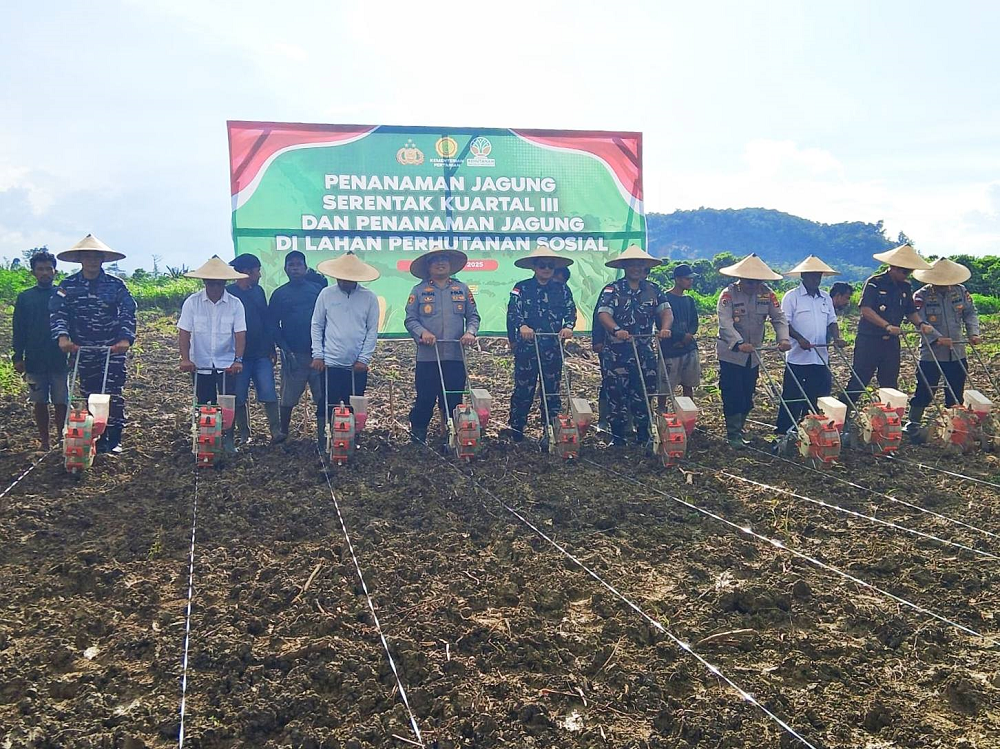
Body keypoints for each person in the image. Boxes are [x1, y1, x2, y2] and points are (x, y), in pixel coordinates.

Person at [50, 234, 136, 454]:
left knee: (112, 394)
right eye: (87, 257)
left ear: (102, 260)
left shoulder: (116, 285)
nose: (91, 261)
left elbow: (128, 310)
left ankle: (114, 438)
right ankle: (94, 437)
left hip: (111, 348)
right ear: (80, 259)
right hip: (83, 349)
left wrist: (125, 338)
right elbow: (58, 312)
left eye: (96, 257)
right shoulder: (67, 286)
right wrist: (62, 337)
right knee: (89, 394)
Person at [596, 246, 672, 447]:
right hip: (617, 353)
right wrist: (616, 330)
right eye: (632, 265)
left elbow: (666, 311)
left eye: (640, 264)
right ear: (624, 267)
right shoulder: (613, 289)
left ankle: (644, 436)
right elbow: (603, 314)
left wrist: (664, 328)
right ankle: (618, 437)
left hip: (644, 350)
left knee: (644, 392)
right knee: (616, 394)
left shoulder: (654, 289)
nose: (637, 268)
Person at [404, 249, 480, 443]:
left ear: (450, 265)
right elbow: (410, 320)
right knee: (425, 398)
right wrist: (423, 333)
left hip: (455, 355)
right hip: (428, 356)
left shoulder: (462, 289)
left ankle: (453, 435)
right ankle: (419, 433)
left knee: (454, 400)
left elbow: (473, 317)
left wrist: (470, 332)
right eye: (435, 260)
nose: (440, 263)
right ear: (428, 266)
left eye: (444, 260)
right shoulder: (418, 291)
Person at [716, 253, 791, 447]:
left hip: (754, 356)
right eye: (750, 282)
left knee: (748, 394)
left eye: (757, 282)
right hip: (732, 354)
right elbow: (725, 323)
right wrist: (739, 342)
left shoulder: (767, 294)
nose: (754, 286)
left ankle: (740, 428)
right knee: (733, 393)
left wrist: (783, 338)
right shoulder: (729, 294)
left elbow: (779, 318)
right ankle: (733, 433)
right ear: (740, 279)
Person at [844, 244, 934, 404]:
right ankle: (842, 418)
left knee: (890, 383)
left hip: (891, 343)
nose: (907, 275)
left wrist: (921, 324)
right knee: (859, 380)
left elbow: (910, 311)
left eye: (910, 272)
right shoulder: (874, 283)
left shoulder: (905, 287)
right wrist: (886, 326)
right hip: (870, 340)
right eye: (905, 271)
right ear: (894, 267)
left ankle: (889, 418)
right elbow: (866, 309)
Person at [311, 252, 380, 451]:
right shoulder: (326, 294)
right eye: (342, 276)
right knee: (327, 403)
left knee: (353, 404)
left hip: (356, 364)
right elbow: (317, 325)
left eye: (350, 277)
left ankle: (350, 439)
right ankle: (324, 438)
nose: (345, 281)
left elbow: (371, 330)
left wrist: (364, 359)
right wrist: (318, 354)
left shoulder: (369, 298)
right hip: (330, 362)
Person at [506, 245, 576, 442]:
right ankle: (517, 431)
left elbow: (571, 311)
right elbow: (513, 311)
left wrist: (568, 326)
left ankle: (551, 431)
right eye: (542, 265)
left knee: (551, 391)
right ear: (534, 267)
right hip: (527, 349)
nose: (546, 269)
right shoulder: (521, 287)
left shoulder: (562, 289)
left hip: (553, 348)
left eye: (550, 266)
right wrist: (522, 326)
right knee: (523, 390)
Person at [177, 256, 247, 453]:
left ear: (225, 283)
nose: (215, 287)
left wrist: (238, 360)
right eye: (211, 283)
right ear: (204, 282)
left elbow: (240, 334)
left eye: (219, 283)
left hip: (226, 362)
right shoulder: (192, 303)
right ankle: (206, 436)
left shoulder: (235, 304)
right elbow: (184, 332)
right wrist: (185, 359)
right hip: (200, 362)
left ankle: (228, 438)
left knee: (227, 403)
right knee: (204, 401)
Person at [905, 258, 981, 437]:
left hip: (957, 351)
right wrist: (937, 338)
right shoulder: (921, 296)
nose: (946, 285)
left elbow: (970, 313)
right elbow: (919, 321)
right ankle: (913, 423)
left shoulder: (960, 291)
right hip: (931, 353)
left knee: (955, 390)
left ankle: (954, 424)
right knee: (925, 388)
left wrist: (973, 333)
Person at [776, 256, 846, 437]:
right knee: (792, 395)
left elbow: (832, 321)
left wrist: (837, 338)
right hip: (798, 357)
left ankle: (811, 430)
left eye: (819, 275)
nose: (816, 279)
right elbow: (785, 323)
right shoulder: (791, 297)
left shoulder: (825, 298)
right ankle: (784, 431)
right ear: (803, 276)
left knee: (817, 396)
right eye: (813, 275)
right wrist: (799, 339)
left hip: (820, 356)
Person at [12, 250, 68, 452]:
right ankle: (45, 441)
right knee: (39, 401)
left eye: (48, 269)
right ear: (33, 272)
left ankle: (61, 438)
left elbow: (73, 325)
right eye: (40, 269)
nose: (45, 273)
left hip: (59, 358)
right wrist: (18, 356)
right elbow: (18, 329)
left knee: (61, 401)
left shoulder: (63, 295)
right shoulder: (25, 297)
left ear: (55, 271)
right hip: (34, 359)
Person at [269, 250, 327, 442]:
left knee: (322, 397)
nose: (295, 269)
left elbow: (327, 319)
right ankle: (283, 432)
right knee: (288, 397)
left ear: (305, 267)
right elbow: (273, 325)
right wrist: (285, 350)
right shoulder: (279, 294)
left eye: (298, 265)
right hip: (294, 354)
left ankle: (323, 435)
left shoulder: (317, 291)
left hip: (319, 355)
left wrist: (323, 350)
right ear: (285, 269)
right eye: (291, 265)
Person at [226, 254, 282, 444]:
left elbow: (266, 321)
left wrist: (271, 347)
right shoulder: (229, 293)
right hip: (238, 355)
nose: (259, 274)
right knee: (239, 395)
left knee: (268, 392)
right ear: (247, 272)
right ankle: (244, 433)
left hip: (260, 353)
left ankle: (275, 431)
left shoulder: (258, 291)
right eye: (257, 270)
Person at [658, 263, 701, 408]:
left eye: (691, 279)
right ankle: (661, 414)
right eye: (687, 279)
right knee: (665, 386)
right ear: (677, 279)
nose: (691, 281)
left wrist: (688, 335)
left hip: (688, 348)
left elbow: (694, 322)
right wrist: (681, 336)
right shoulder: (664, 298)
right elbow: (662, 322)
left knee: (688, 384)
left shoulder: (689, 300)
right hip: (670, 348)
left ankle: (688, 413)